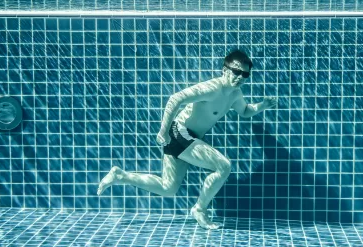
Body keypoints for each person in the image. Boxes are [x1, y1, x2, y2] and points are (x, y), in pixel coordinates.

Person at [97, 50, 278, 229]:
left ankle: (121, 176)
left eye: (245, 74)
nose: (240, 77)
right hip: (179, 133)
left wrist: (262, 105)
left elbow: (245, 111)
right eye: (236, 71)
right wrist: (164, 130)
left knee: (168, 187)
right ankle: (199, 209)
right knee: (223, 166)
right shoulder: (212, 88)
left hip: (185, 137)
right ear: (225, 69)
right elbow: (176, 99)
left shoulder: (235, 94)